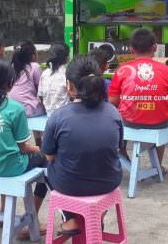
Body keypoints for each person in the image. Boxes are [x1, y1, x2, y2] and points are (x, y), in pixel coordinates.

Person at [42, 55, 123, 236]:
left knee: (45, 166)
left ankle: (70, 219)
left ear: (69, 86)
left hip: (70, 186)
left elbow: (49, 156)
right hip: (108, 182)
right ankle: (98, 216)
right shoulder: (113, 113)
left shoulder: (58, 117)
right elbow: (116, 148)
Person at [0, 59, 47, 239]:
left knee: (5, 153)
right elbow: (23, 147)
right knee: (46, 161)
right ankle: (32, 222)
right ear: (11, 83)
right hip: (10, 167)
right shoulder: (15, 108)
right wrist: (40, 149)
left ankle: (3, 214)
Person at [108, 28, 168, 172]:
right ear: (155, 48)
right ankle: (158, 166)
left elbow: (112, 101)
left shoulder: (122, 70)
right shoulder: (167, 71)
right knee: (166, 115)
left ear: (132, 50)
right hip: (159, 124)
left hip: (129, 123)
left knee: (118, 117)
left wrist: (133, 98)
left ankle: (123, 156)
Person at [9, 41, 46, 144]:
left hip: (13, 108)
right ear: (33, 56)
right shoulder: (34, 66)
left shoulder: (13, 66)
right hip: (29, 110)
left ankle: (27, 143)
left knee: (33, 103)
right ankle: (40, 142)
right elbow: (41, 90)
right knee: (41, 108)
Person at [37, 42, 70, 117]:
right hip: (65, 115)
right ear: (66, 58)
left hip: (49, 114)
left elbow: (40, 96)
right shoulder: (67, 74)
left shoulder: (44, 73)